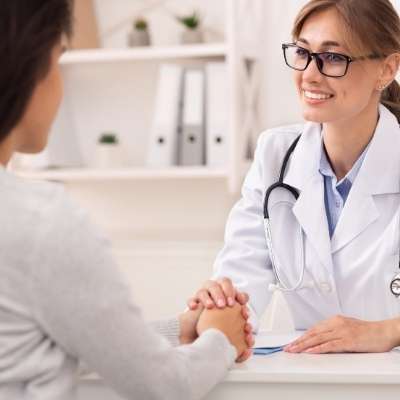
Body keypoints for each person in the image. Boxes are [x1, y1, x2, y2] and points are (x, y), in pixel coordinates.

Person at [0, 1, 254, 399]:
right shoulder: (43, 224)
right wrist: (221, 339)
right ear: (31, 67)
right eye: (58, 59)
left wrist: (179, 329)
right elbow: (166, 385)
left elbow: (41, 341)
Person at [189, 0, 400, 354]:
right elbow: (240, 285)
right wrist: (219, 303)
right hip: (311, 374)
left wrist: (388, 331)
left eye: (334, 58)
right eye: (302, 52)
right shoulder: (276, 156)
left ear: (387, 69)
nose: (310, 74)